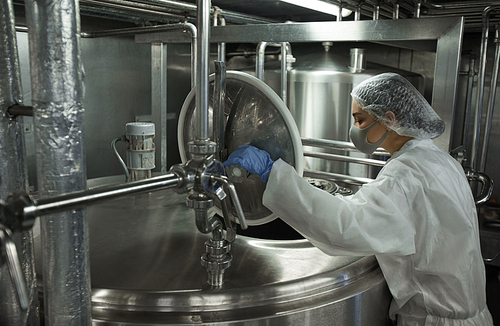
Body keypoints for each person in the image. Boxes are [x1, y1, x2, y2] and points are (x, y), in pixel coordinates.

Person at [223, 73, 493, 326]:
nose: (355, 129)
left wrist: (273, 172)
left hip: (436, 320)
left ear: (389, 118)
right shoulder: (439, 160)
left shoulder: (405, 175)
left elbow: (345, 228)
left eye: (360, 120)